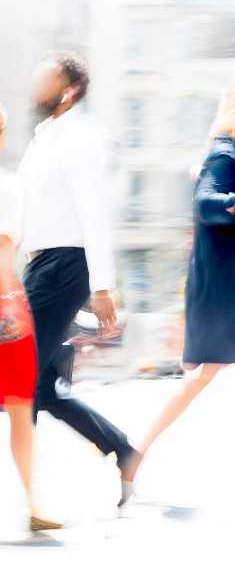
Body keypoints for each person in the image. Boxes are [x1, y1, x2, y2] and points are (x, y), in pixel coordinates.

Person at [131, 83, 235, 475]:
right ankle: (137, 452)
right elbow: (206, 204)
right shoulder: (224, 151)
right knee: (205, 375)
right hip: (227, 289)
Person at [17, 53, 141, 508]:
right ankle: (123, 451)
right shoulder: (43, 139)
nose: (34, 84)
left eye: (44, 77)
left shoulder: (80, 138)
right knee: (40, 387)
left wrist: (103, 285)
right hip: (41, 265)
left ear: (68, 89)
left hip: (67, 265)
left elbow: (94, 212)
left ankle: (26, 498)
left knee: (16, 377)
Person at [0, 104, 62, 532]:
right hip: (5, 297)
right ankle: (33, 503)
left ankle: (35, 503)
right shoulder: (7, 185)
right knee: (21, 406)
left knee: (22, 405)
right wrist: (6, 302)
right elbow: (3, 248)